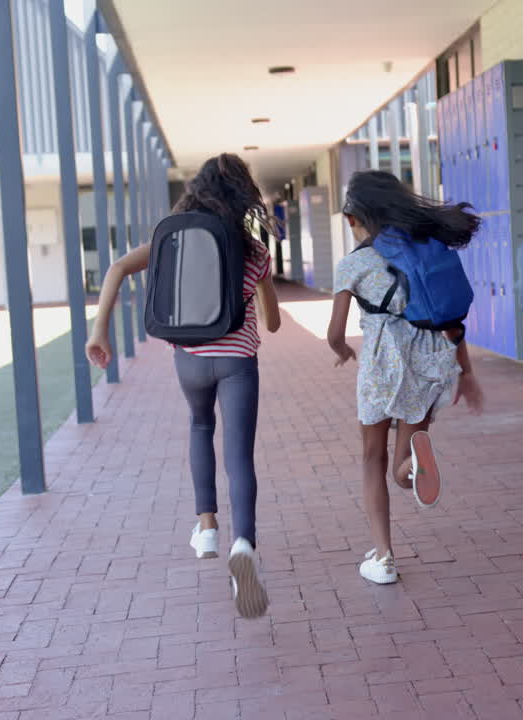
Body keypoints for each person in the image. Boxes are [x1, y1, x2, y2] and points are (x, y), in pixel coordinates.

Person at [86, 153, 280, 618]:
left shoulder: (170, 237)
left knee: (199, 428)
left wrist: (99, 332)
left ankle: (207, 527)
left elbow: (115, 268)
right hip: (237, 363)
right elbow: (271, 323)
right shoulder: (253, 251)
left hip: (189, 360)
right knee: (239, 456)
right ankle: (244, 544)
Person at [327, 171, 485, 585]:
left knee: (371, 459)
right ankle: (412, 468)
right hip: (429, 361)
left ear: (352, 219)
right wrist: (466, 372)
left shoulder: (353, 265)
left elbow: (334, 333)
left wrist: (343, 351)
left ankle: (384, 558)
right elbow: (450, 322)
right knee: (400, 460)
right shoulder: (424, 253)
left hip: (381, 366)